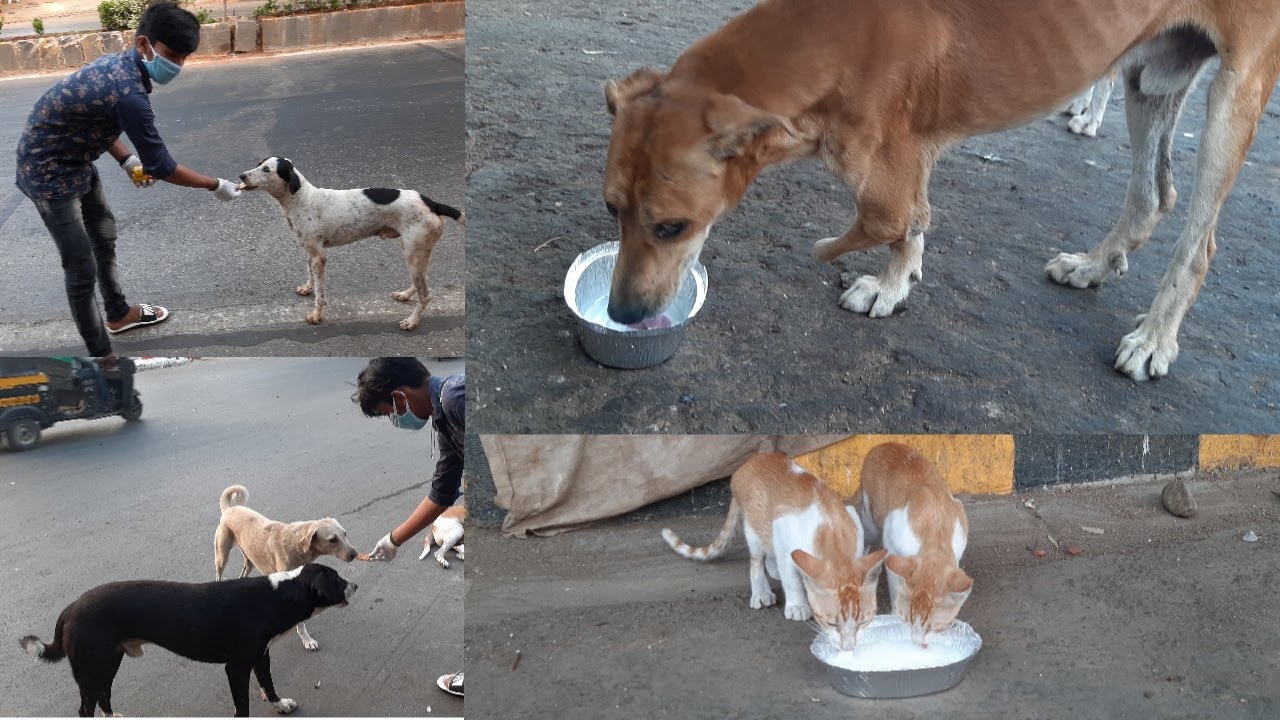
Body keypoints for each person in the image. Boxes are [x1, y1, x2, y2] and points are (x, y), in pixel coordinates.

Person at [14, 1, 243, 359]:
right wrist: (214, 185)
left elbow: (95, 123)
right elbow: (163, 166)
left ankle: (118, 314)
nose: (178, 65)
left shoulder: (125, 67)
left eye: (184, 57)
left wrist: (126, 160)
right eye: (172, 54)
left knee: (104, 234)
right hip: (47, 173)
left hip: (77, 158)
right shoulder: (129, 93)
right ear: (143, 44)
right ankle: (103, 362)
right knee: (80, 269)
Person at [352, 357, 465, 698]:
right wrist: (393, 539)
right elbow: (442, 492)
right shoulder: (445, 419)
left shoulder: (455, 399)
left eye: (389, 413)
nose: (395, 420)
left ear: (400, 398)